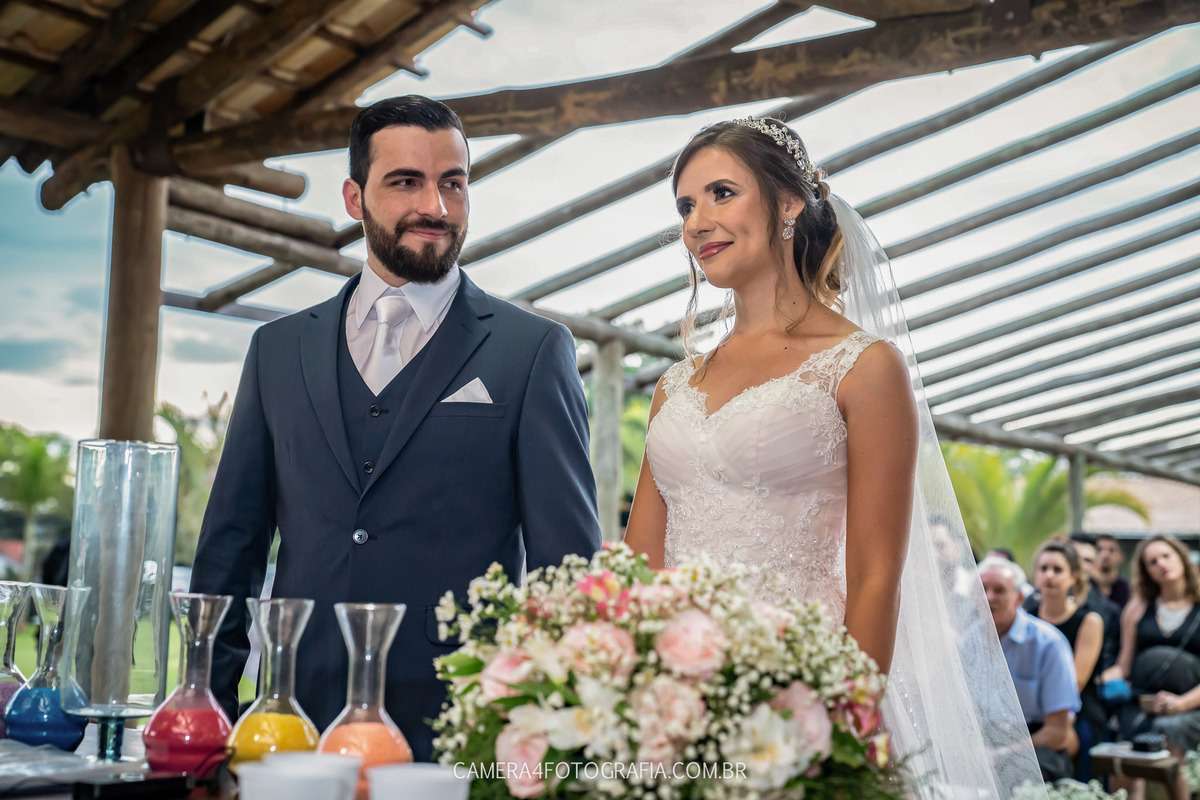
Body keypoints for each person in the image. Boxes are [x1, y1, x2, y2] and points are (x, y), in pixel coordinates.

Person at [623, 118, 1041, 798]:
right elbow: (639, 563)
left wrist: (847, 723)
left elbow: (876, 573)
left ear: (788, 203)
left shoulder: (864, 367)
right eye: (685, 206)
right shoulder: (676, 384)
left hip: (804, 694)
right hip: (671, 705)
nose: (698, 220)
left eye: (721, 193)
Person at [190, 95, 601, 762]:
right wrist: (207, 706)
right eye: (406, 182)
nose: (434, 207)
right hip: (294, 727)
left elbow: (568, 569)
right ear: (355, 198)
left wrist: (556, 740)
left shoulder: (532, 350)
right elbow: (231, 549)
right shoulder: (277, 349)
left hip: (464, 733)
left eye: (453, 182)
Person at [1101, 535, 1200, 800]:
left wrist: (1180, 703)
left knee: (1169, 731)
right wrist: (1104, 679)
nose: (1161, 564)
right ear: (1147, 572)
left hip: (1191, 706)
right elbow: (1123, 665)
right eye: (1152, 561)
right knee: (1125, 750)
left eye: (1166, 556)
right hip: (1143, 702)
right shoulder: (1137, 608)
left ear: (1181, 557)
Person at [980, 557, 1081, 782]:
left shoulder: (1048, 643)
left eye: (999, 590)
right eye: (982, 589)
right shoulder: (968, 643)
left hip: (1036, 743)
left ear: (1019, 598)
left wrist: (1002, 753)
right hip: (985, 742)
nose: (989, 598)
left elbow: (1057, 732)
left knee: (1014, 773)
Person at [1027, 539, 1105, 778]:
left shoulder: (1089, 621)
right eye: (1043, 569)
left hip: (1075, 709)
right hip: (1029, 707)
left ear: (1073, 577)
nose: (1049, 575)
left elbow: (1075, 682)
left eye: (1057, 569)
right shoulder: (1025, 618)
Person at [1095, 534, 1132, 610]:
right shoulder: (1085, 586)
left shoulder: (1128, 590)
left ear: (1121, 556)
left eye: (1111, 550)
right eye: (1099, 550)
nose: (1105, 555)